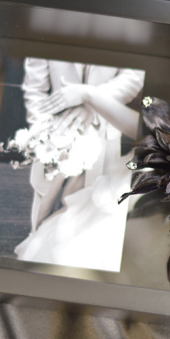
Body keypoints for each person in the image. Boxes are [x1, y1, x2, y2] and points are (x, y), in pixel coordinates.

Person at [14, 57, 144, 271]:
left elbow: (133, 77)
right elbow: (35, 89)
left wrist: (93, 105)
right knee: (46, 201)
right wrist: (46, 132)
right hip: (55, 130)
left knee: (89, 209)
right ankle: (36, 246)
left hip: (103, 131)